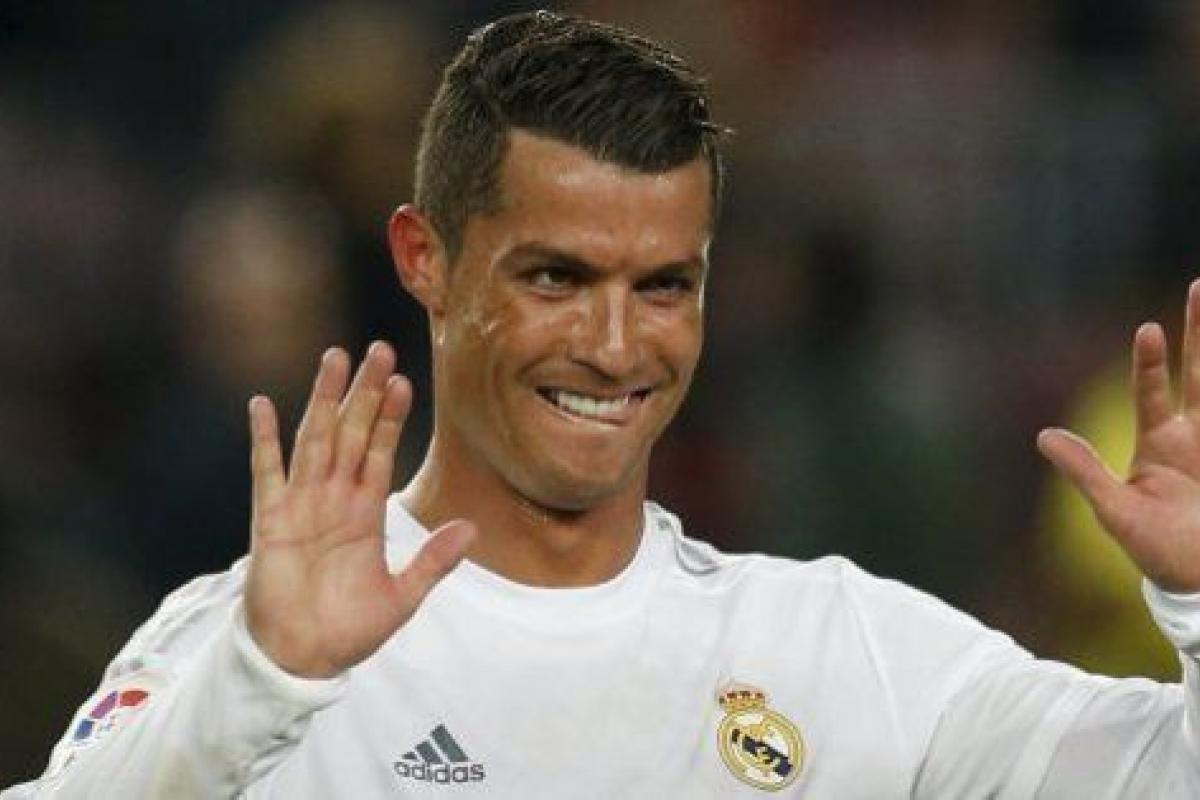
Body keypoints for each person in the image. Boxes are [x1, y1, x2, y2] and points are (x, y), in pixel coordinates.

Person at [8, 10, 1200, 797]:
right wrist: (261, 684)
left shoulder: (840, 648)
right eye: (556, 278)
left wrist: (1197, 604)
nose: (616, 345)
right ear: (426, 258)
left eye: (663, 285)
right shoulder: (262, 642)